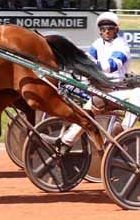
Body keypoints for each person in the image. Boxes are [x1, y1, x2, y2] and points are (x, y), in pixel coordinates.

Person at [50, 11, 131, 151]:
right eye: (102, 29)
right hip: (98, 85)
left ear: (116, 29)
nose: (106, 32)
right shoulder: (97, 44)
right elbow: (87, 59)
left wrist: (86, 65)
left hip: (115, 87)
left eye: (109, 29)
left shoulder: (122, 46)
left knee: (86, 112)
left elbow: (110, 67)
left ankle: (67, 140)